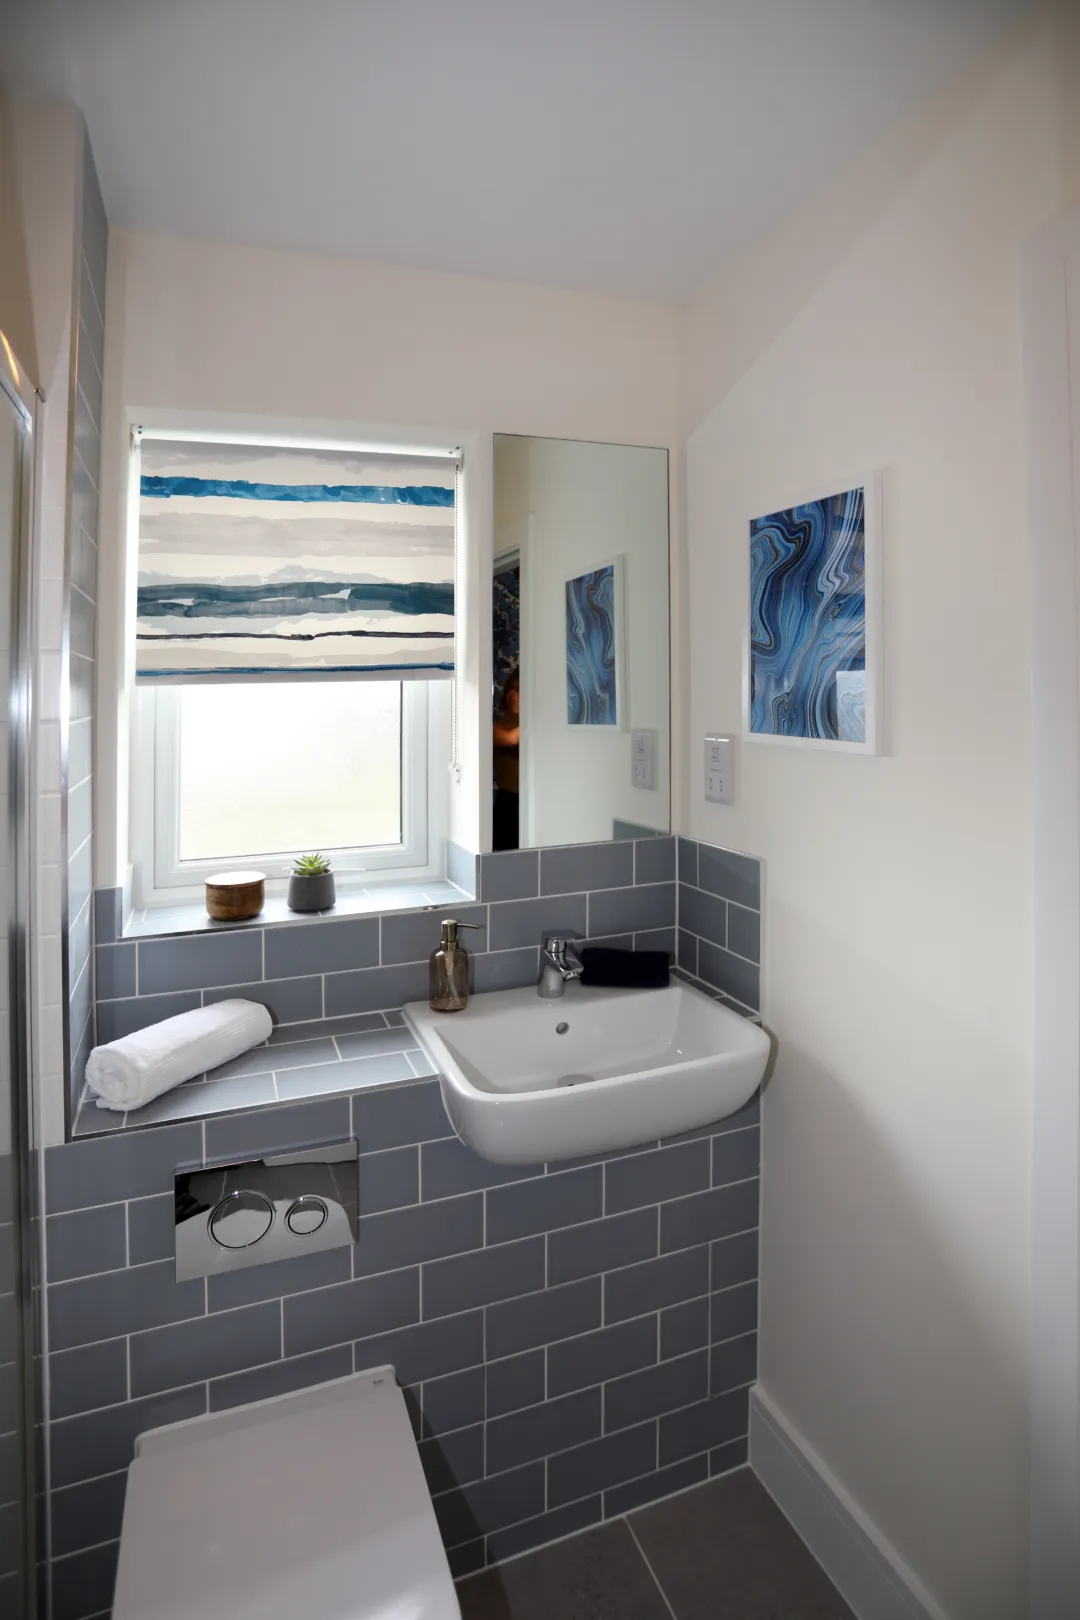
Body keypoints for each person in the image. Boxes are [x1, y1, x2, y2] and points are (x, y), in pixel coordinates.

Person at [492, 668, 520, 850]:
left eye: (518, 689)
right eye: (510, 688)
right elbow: (511, 739)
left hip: (536, 797)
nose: (512, 693)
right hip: (508, 800)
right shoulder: (494, 725)